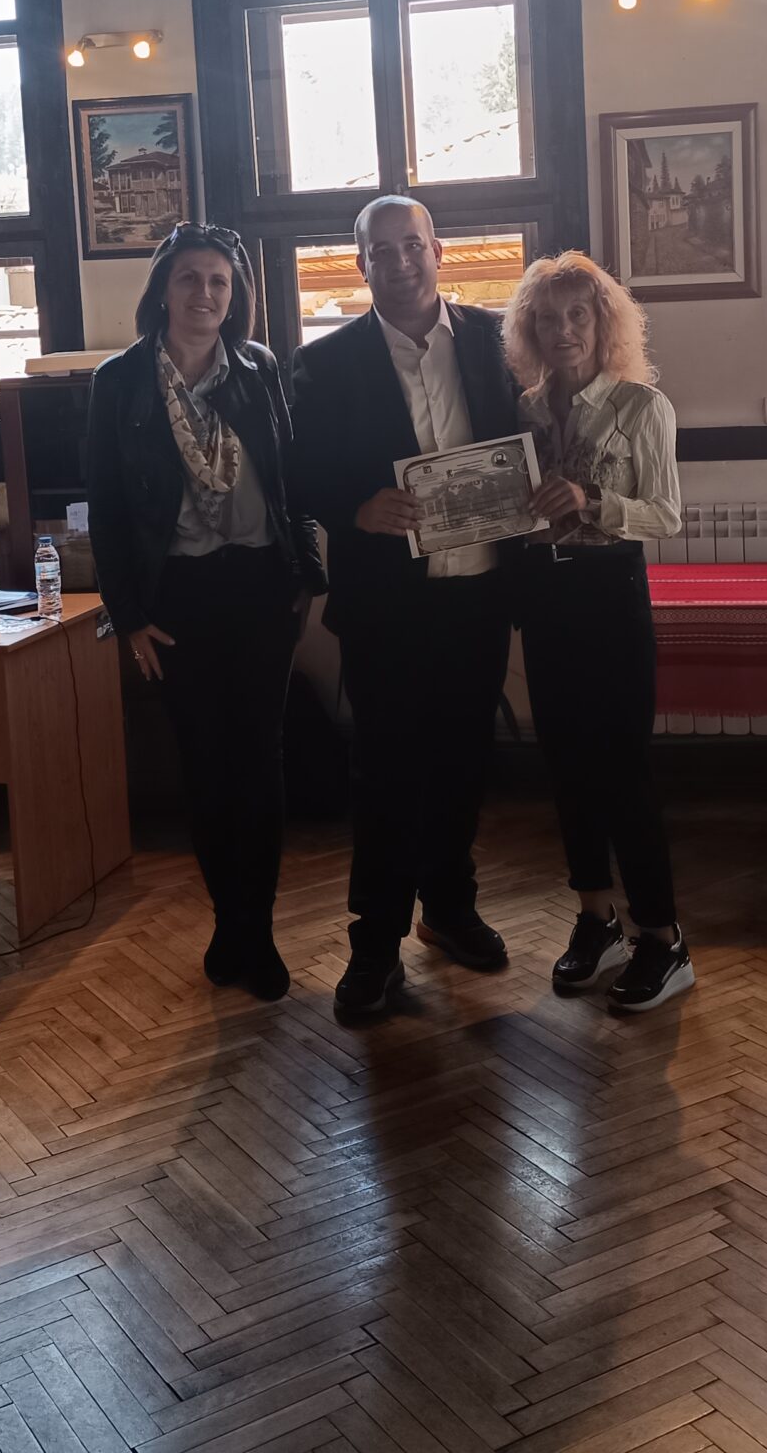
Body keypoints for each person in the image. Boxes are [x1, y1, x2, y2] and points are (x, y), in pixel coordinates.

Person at [290, 195, 521, 1021]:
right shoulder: (323, 363)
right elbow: (298, 472)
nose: (398, 261)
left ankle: (450, 909)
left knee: (463, 761)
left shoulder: (499, 339)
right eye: (380, 251)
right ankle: (375, 946)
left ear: (438, 251)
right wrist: (355, 508)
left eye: (411, 245)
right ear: (361, 266)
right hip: (386, 606)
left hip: (480, 592)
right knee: (385, 774)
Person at [85, 223, 325, 1003]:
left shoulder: (258, 369)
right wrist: (128, 616)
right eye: (189, 278)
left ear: (235, 294)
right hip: (177, 597)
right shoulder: (120, 383)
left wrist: (306, 575)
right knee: (204, 766)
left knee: (259, 763)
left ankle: (258, 929)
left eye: (219, 281)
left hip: (259, 588)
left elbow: (292, 483)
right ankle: (230, 919)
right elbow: (108, 511)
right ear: (163, 289)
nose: (205, 294)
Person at [506, 251, 693, 1013]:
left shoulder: (643, 407)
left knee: (622, 771)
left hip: (611, 595)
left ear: (602, 321)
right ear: (531, 330)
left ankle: (664, 939)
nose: (564, 331)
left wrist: (593, 503)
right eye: (548, 319)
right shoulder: (521, 413)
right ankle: (597, 921)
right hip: (543, 597)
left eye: (577, 314)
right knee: (566, 765)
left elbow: (668, 517)